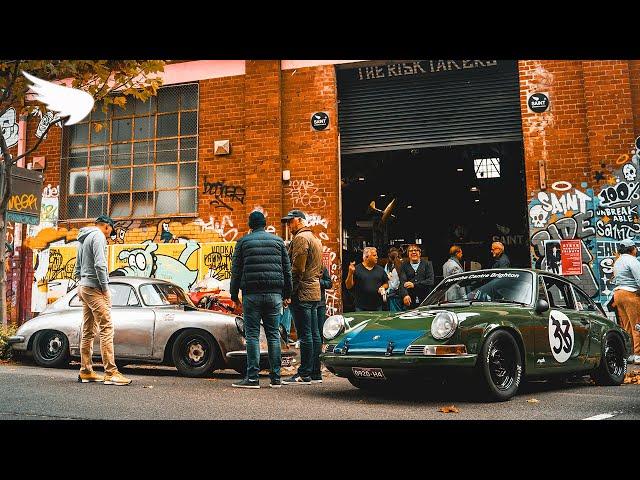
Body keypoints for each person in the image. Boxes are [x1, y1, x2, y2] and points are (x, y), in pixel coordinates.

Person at [230, 210, 293, 388]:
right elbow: (286, 270)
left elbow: (236, 271)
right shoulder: (278, 241)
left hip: (251, 295)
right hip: (274, 295)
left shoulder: (243, 242)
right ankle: (276, 378)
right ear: (265, 224)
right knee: (274, 335)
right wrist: (288, 294)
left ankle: (252, 378)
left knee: (252, 336)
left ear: (251, 225)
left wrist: (234, 295)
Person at [74, 215, 131, 386]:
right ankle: (111, 372)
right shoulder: (98, 236)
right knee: (107, 327)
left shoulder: (83, 239)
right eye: (110, 231)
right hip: (94, 288)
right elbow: (100, 265)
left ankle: (86, 371)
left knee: (89, 330)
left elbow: (77, 266)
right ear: (106, 226)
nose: (109, 235)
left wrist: (80, 283)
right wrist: (106, 289)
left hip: (85, 286)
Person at [280, 210, 323, 385]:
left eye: (291, 222)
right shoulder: (315, 238)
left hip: (302, 292)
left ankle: (304, 373)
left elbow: (297, 270)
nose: (289, 226)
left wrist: (289, 292)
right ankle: (315, 372)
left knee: (305, 335)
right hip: (314, 291)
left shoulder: (301, 239)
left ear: (300, 221)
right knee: (314, 334)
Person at [612, 238, 640, 365]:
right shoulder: (632, 261)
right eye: (635, 247)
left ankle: (629, 355)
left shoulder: (617, 261)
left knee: (627, 326)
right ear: (632, 249)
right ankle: (638, 354)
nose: (637, 249)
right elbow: (639, 279)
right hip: (630, 294)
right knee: (637, 325)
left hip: (618, 294)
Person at [345, 247, 388, 311]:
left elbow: (386, 283)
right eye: (374, 255)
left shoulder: (380, 269)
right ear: (366, 257)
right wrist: (350, 273)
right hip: (360, 307)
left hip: (377, 306)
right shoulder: (356, 269)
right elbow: (348, 286)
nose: (377, 257)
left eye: (376, 255)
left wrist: (383, 287)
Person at [311, 265, 333, 383]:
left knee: (317, 336)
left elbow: (329, 283)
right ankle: (311, 370)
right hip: (310, 303)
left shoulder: (321, 266)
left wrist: (319, 281)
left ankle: (316, 371)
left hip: (319, 304)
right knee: (309, 337)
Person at [398, 244, 434, 309]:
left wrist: (414, 285)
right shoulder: (404, 266)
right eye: (411, 251)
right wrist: (405, 295)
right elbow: (402, 282)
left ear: (420, 253)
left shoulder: (427, 264)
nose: (413, 252)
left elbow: (430, 281)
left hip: (426, 300)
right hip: (410, 301)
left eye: (416, 250)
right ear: (408, 254)